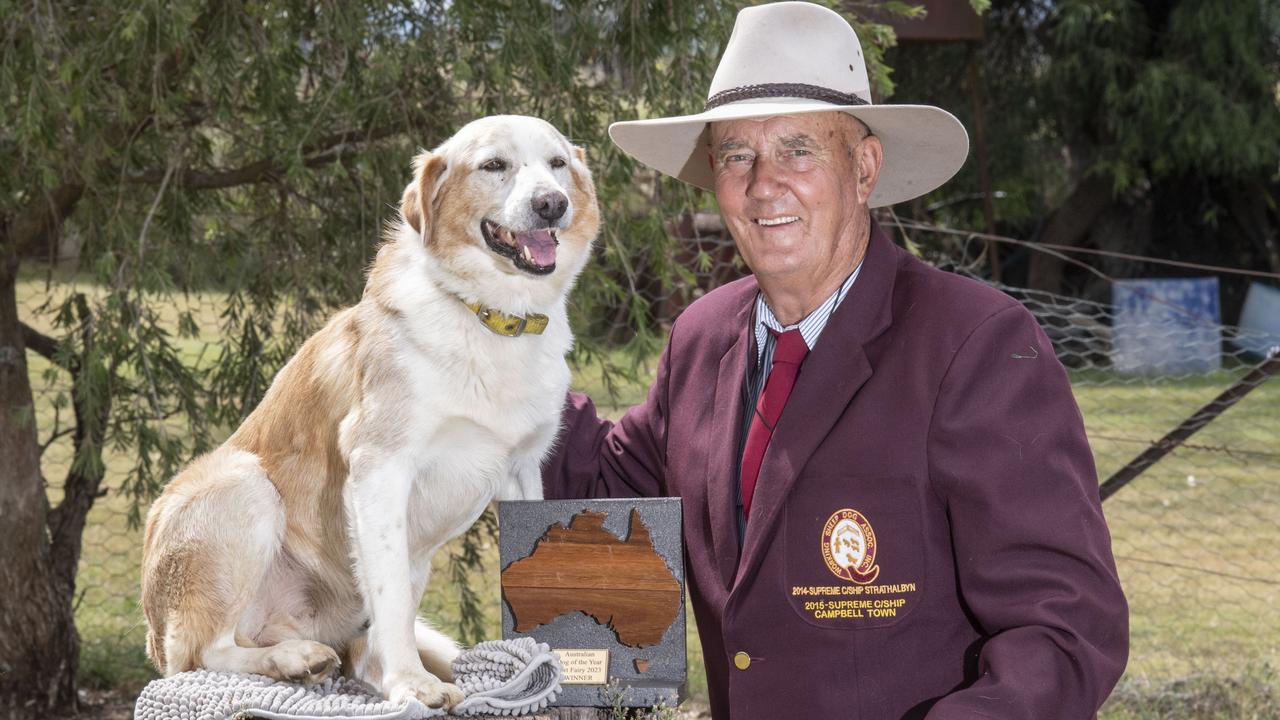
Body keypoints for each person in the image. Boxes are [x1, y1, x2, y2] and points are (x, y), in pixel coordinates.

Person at [542, 3, 1129, 718]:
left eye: (798, 150)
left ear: (864, 168)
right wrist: (478, 351)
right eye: (736, 155)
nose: (763, 184)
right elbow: (600, 485)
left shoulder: (974, 345)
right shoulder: (700, 339)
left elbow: (1065, 630)